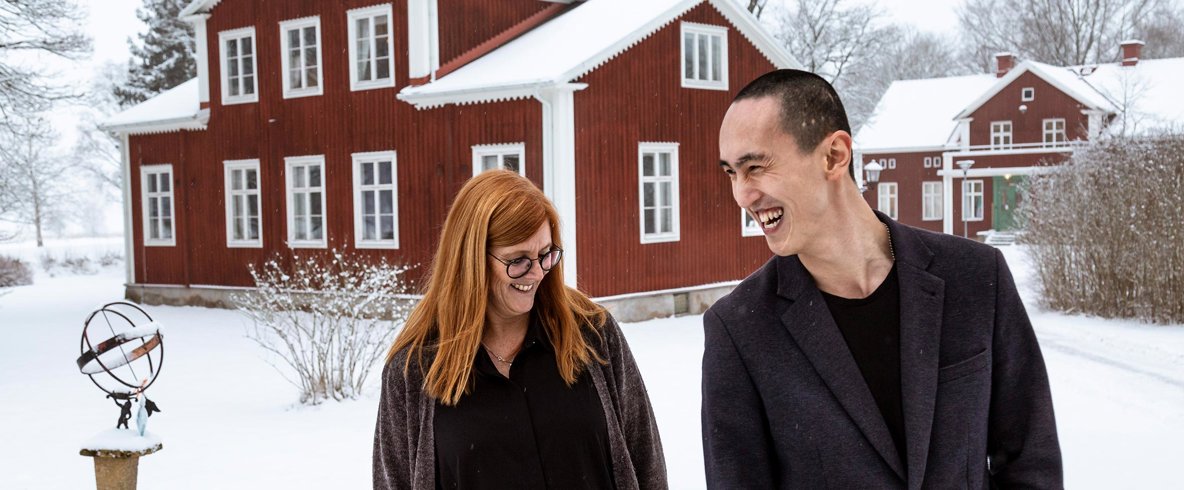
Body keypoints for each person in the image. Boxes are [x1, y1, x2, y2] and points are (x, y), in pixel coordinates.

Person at [702, 70, 1062, 488]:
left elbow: (1031, 464)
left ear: (834, 156)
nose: (742, 195)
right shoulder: (740, 330)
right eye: (731, 172)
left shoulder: (977, 278)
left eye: (756, 167)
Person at [373, 170, 667, 490]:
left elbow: (645, 460)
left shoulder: (593, 335)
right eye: (518, 260)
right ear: (470, 259)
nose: (537, 273)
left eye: (545, 255)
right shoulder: (413, 371)